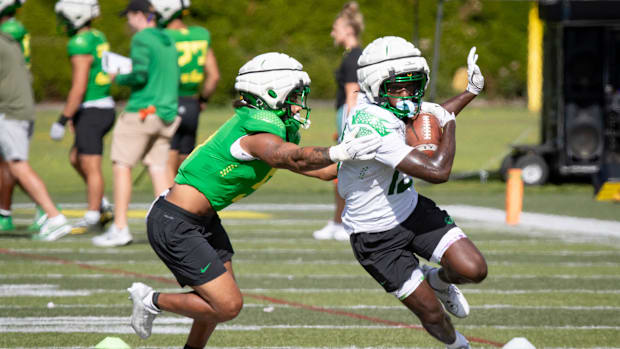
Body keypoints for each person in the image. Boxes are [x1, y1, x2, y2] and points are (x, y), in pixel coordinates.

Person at [126, 52, 381, 348]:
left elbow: (322, 171)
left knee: (216, 302)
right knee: (227, 305)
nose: (300, 103)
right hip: (175, 221)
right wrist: (339, 151)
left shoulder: (274, 129)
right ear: (271, 93)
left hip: (202, 219)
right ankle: (151, 300)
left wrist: (380, 159)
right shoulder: (257, 133)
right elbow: (287, 157)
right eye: (295, 95)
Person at [338, 36, 486, 349]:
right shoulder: (371, 123)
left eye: (413, 85)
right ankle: (460, 346)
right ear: (375, 87)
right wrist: (450, 125)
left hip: (411, 210)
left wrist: (470, 92)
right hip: (375, 236)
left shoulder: (390, 105)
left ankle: (437, 280)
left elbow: (430, 112)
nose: (406, 94)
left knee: (472, 269)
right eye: (397, 88)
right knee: (432, 313)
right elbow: (438, 172)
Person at [91, 0, 180, 247]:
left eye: (129, 16)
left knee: (122, 165)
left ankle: (120, 227)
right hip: (167, 112)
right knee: (158, 167)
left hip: (143, 110)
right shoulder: (168, 38)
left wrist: (118, 77)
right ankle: (170, 228)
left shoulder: (142, 38)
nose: (128, 22)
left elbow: (140, 74)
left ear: (139, 15)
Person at [0, 25, 72, 241]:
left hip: (11, 113)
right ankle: (42, 211)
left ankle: (54, 216)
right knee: (10, 164)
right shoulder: (8, 41)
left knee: (17, 164)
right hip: (19, 111)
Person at [50, 0, 115, 233]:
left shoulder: (79, 42)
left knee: (90, 163)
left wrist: (63, 117)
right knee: (76, 158)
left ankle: (93, 215)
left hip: (93, 107)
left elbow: (78, 87)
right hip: (101, 106)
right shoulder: (97, 35)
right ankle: (102, 205)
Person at [313, 1, 363, 241]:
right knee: (341, 172)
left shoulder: (353, 57)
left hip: (348, 115)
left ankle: (344, 222)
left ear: (348, 30)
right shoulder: (351, 56)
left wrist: (348, 129)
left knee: (343, 170)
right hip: (343, 116)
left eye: (336, 28)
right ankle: (337, 221)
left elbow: (353, 95)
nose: (333, 33)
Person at [153, 0, 220, 179]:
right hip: (192, 105)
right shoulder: (200, 34)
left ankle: (169, 207)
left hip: (169, 103)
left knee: (166, 165)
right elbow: (213, 77)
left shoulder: (162, 36)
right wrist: (202, 100)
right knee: (185, 167)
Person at [0, 0, 28, 232]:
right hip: (15, 102)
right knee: (9, 163)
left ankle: (50, 212)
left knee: (16, 163)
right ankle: (4, 212)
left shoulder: (8, 31)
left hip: (10, 106)